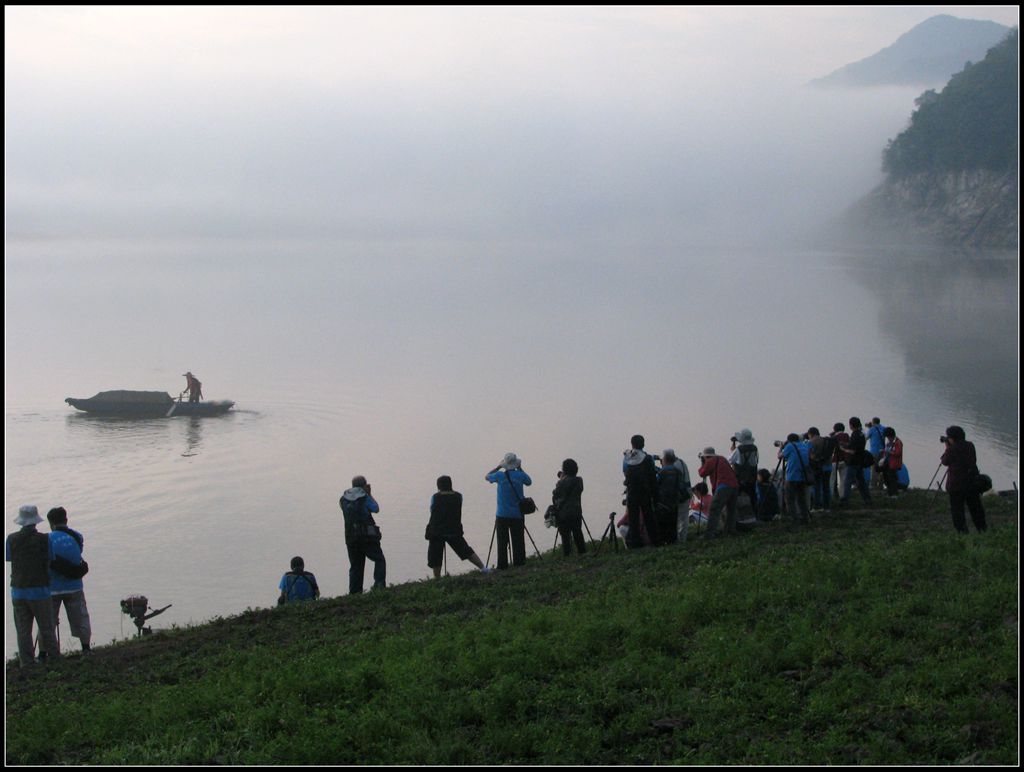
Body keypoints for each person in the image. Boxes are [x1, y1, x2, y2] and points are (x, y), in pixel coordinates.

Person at [5, 505, 60, 665]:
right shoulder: (44, 539)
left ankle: (26, 662)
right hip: (40, 591)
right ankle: (55, 659)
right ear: (36, 521)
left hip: (18, 591)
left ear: (21, 521)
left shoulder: (11, 539)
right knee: (46, 628)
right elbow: (51, 559)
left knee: (23, 630)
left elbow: (8, 557)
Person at [46, 506, 92, 653]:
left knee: (48, 622)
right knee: (81, 618)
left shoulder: (46, 539)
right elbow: (76, 555)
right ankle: (86, 648)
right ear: (66, 519)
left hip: (52, 588)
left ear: (50, 523)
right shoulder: (78, 536)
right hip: (75, 586)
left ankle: (44, 654)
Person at [427, 476, 487, 576]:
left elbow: (432, 510)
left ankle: (437, 579)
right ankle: (483, 568)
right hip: (454, 529)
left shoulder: (435, 497)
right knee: (466, 550)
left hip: (436, 531)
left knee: (435, 556)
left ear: (438, 486)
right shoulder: (459, 496)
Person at [339, 476, 387, 594]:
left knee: (356, 566)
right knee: (379, 559)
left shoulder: (343, 499)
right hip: (367, 536)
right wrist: (369, 494)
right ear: (364, 485)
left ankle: (355, 592)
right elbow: (376, 509)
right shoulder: (365, 497)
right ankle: (379, 586)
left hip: (350, 537)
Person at [485, 453, 533, 569]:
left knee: (502, 542)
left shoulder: (499, 476)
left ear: (505, 464)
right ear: (516, 463)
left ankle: (502, 566)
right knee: (518, 541)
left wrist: (498, 467)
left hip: (502, 514)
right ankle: (519, 563)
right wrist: (520, 468)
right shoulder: (520, 475)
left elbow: (487, 476)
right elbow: (529, 482)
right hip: (517, 515)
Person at [940, 426, 986, 533]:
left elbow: (945, 461)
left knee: (957, 511)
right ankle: (982, 529)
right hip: (972, 482)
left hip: (956, 485)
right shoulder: (970, 445)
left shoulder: (952, 449)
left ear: (952, 438)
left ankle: (962, 532)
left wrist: (947, 447)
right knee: (976, 508)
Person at [622, 435, 659, 547]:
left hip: (631, 491)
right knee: (649, 517)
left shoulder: (627, 457)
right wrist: (655, 493)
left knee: (633, 518)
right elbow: (652, 476)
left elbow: (624, 472)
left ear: (632, 444)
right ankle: (655, 540)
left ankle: (635, 543)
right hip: (644, 491)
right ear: (643, 444)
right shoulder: (647, 458)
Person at [697, 447, 739, 538]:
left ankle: (710, 533)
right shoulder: (722, 458)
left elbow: (702, 473)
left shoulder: (710, 461)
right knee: (731, 510)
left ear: (706, 456)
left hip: (723, 487)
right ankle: (730, 530)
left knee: (714, 509)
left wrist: (703, 463)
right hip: (734, 485)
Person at [551, 460, 586, 556]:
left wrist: (561, 480)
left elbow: (555, 494)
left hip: (563, 513)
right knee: (578, 533)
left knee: (565, 537)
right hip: (576, 511)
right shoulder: (579, 480)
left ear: (564, 470)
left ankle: (567, 555)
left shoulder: (562, 483)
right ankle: (582, 553)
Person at [778, 434, 813, 525]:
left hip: (792, 477)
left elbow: (780, 456)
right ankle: (805, 518)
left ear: (789, 440)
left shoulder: (790, 446)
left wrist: (781, 447)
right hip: (803, 477)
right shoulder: (804, 445)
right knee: (801, 499)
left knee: (790, 499)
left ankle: (794, 519)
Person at [840, 417, 872, 506]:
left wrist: (843, 449)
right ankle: (867, 498)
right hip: (860, 461)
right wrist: (847, 444)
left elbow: (853, 451)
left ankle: (845, 500)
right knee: (861, 482)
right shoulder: (861, 434)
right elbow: (857, 446)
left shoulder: (854, 434)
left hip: (853, 461)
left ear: (851, 425)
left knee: (848, 481)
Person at [728, 429, 759, 518]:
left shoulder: (739, 450)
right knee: (752, 496)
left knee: (737, 497)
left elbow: (730, 460)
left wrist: (732, 450)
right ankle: (754, 515)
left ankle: (738, 517)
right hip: (752, 476)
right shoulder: (754, 448)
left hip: (740, 477)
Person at [654, 453, 683, 545]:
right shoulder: (678, 471)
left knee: (662, 523)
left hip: (663, 501)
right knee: (673, 522)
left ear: (665, 460)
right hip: (674, 501)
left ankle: (663, 540)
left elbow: (656, 483)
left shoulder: (661, 472)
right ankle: (673, 540)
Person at [806, 427, 834, 512]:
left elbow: (808, 454)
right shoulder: (826, 440)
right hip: (828, 466)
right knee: (826, 487)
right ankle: (827, 506)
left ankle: (817, 506)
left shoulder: (811, 442)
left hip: (817, 467)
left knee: (817, 487)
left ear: (810, 434)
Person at [878, 427, 904, 499]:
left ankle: (894, 494)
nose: (887, 438)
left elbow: (898, 453)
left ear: (890, 435)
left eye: (887, 437)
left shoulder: (898, 442)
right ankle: (890, 493)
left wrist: (887, 452)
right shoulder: (889, 443)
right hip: (888, 463)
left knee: (892, 479)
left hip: (894, 464)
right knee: (887, 478)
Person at [830, 422, 850, 500]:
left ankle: (831, 496)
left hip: (835, 460)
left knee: (832, 480)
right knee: (843, 480)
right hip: (845, 460)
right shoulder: (846, 436)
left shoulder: (834, 437)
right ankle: (842, 496)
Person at [867, 418, 887, 490]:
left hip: (874, 451)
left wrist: (869, 428)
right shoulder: (884, 428)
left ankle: (873, 485)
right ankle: (881, 485)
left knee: (873, 468)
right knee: (881, 468)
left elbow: (866, 437)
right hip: (882, 452)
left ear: (873, 422)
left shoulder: (872, 429)